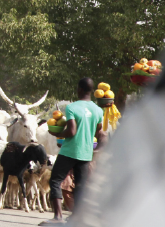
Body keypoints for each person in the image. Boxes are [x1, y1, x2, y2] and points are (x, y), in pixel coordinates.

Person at [40, 77, 107, 226]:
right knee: (81, 185)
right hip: (86, 152)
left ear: (80, 90)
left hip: (70, 150)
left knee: (55, 180)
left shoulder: (72, 107)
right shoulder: (98, 110)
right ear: (91, 91)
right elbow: (99, 131)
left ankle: (58, 216)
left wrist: (57, 134)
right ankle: (77, 217)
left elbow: (71, 131)